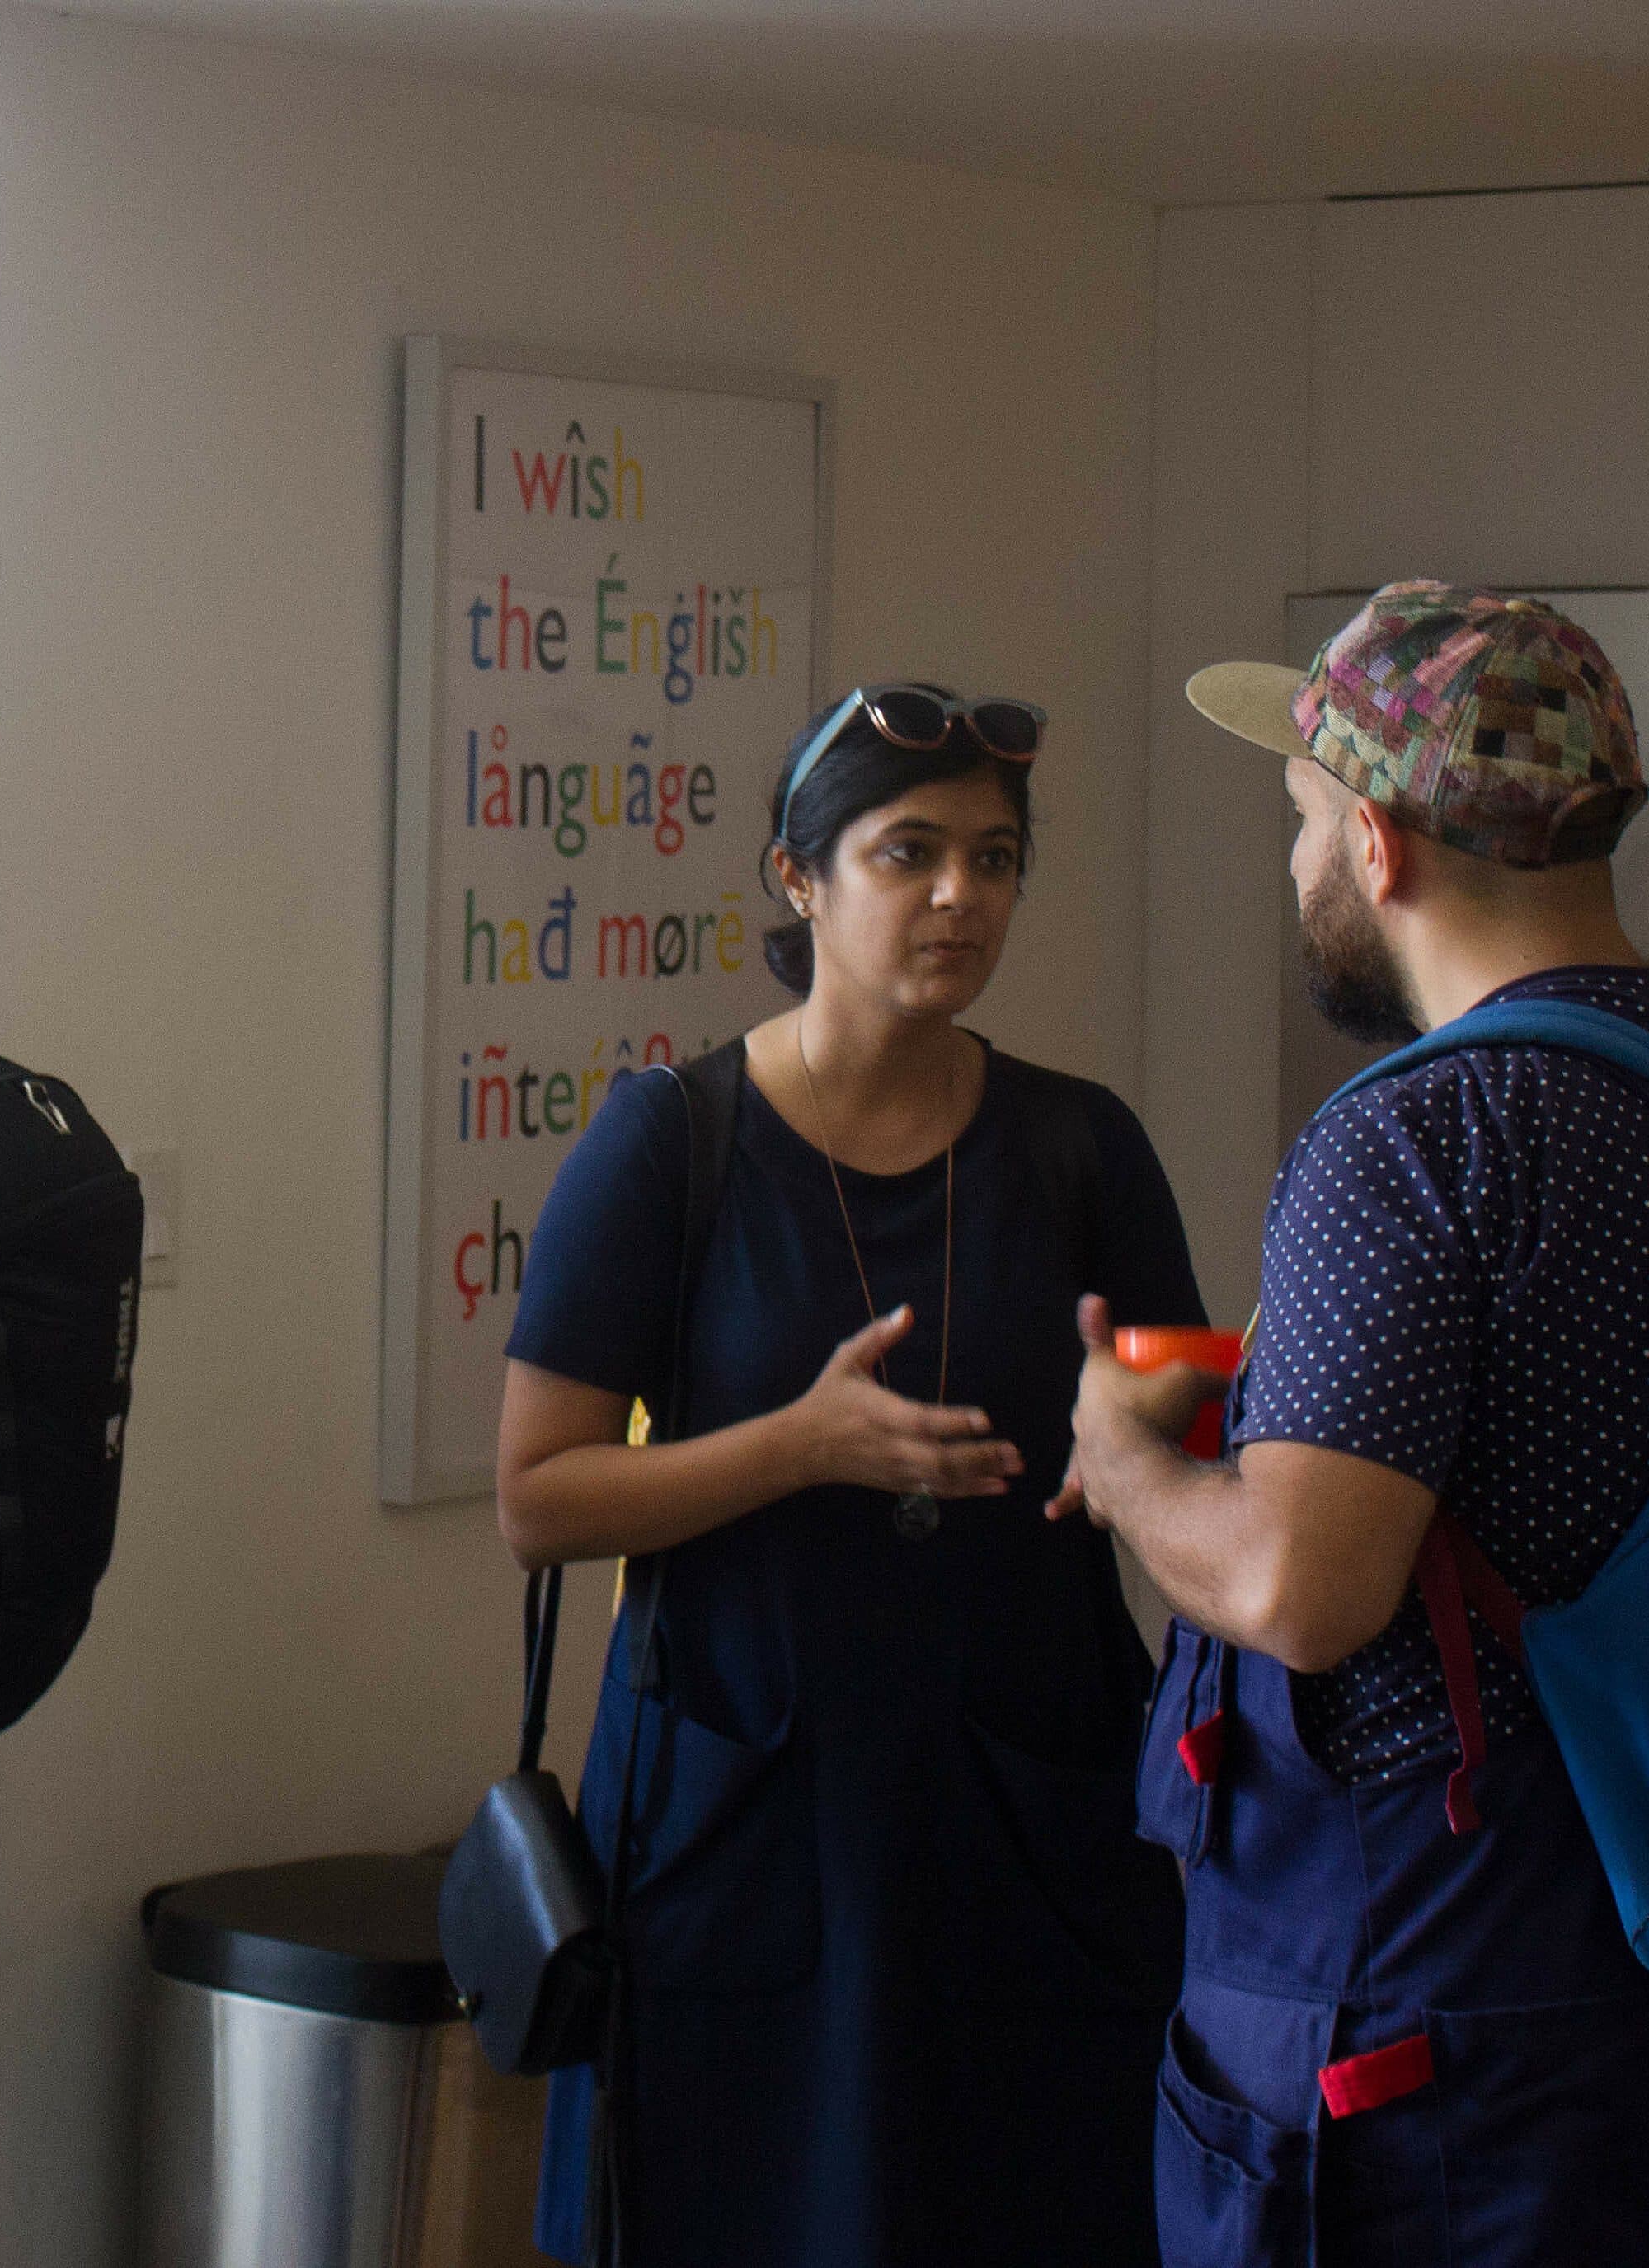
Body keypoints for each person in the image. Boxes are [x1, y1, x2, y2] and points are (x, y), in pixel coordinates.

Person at [1061, 582, 1649, 2264]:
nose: (1294, 865)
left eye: (1302, 818)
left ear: (1383, 846)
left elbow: (1297, 1585)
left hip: (1441, 2051)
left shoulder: (1421, 1136)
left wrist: (1123, 1462)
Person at [497, 683, 1205, 2267]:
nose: (962, 894)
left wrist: (1142, 1434)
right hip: (744, 1823)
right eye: (911, 853)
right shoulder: (667, 1144)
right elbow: (536, 1498)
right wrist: (800, 1448)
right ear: (798, 879)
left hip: (1024, 1810)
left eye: (997, 858)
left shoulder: (1083, 1149)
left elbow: (1194, 1444)